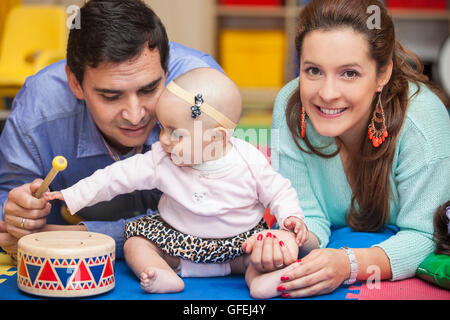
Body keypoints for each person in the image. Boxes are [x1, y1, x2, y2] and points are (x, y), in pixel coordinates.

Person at [244, 0, 450, 298]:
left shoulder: (423, 120)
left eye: (349, 73)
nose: (327, 93)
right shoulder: (291, 105)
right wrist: (290, 238)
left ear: (383, 74)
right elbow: (309, 216)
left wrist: (349, 265)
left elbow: (425, 236)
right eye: (313, 70)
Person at [44, 67, 308, 295]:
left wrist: (290, 218)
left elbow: (279, 191)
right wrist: (73, 195)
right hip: (176, 240)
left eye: (175, 133)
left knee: (267, 251)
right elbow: (116, 177)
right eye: (162, 128)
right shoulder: (162, 158)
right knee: (136, 241)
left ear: (215, 138)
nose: (164, 140)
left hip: (241, 243)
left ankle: (260, 281)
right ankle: (161, 273)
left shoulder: (249, 160)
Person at [0, 0, 224, 260]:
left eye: (149, 89)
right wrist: (16, 213)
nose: (135, 114)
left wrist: (81, 237)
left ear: (166, 69)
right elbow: (9, 202)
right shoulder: (39, 108)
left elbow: (215, 212)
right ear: (75, 83)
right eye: (110, 96)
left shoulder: (202, 90)